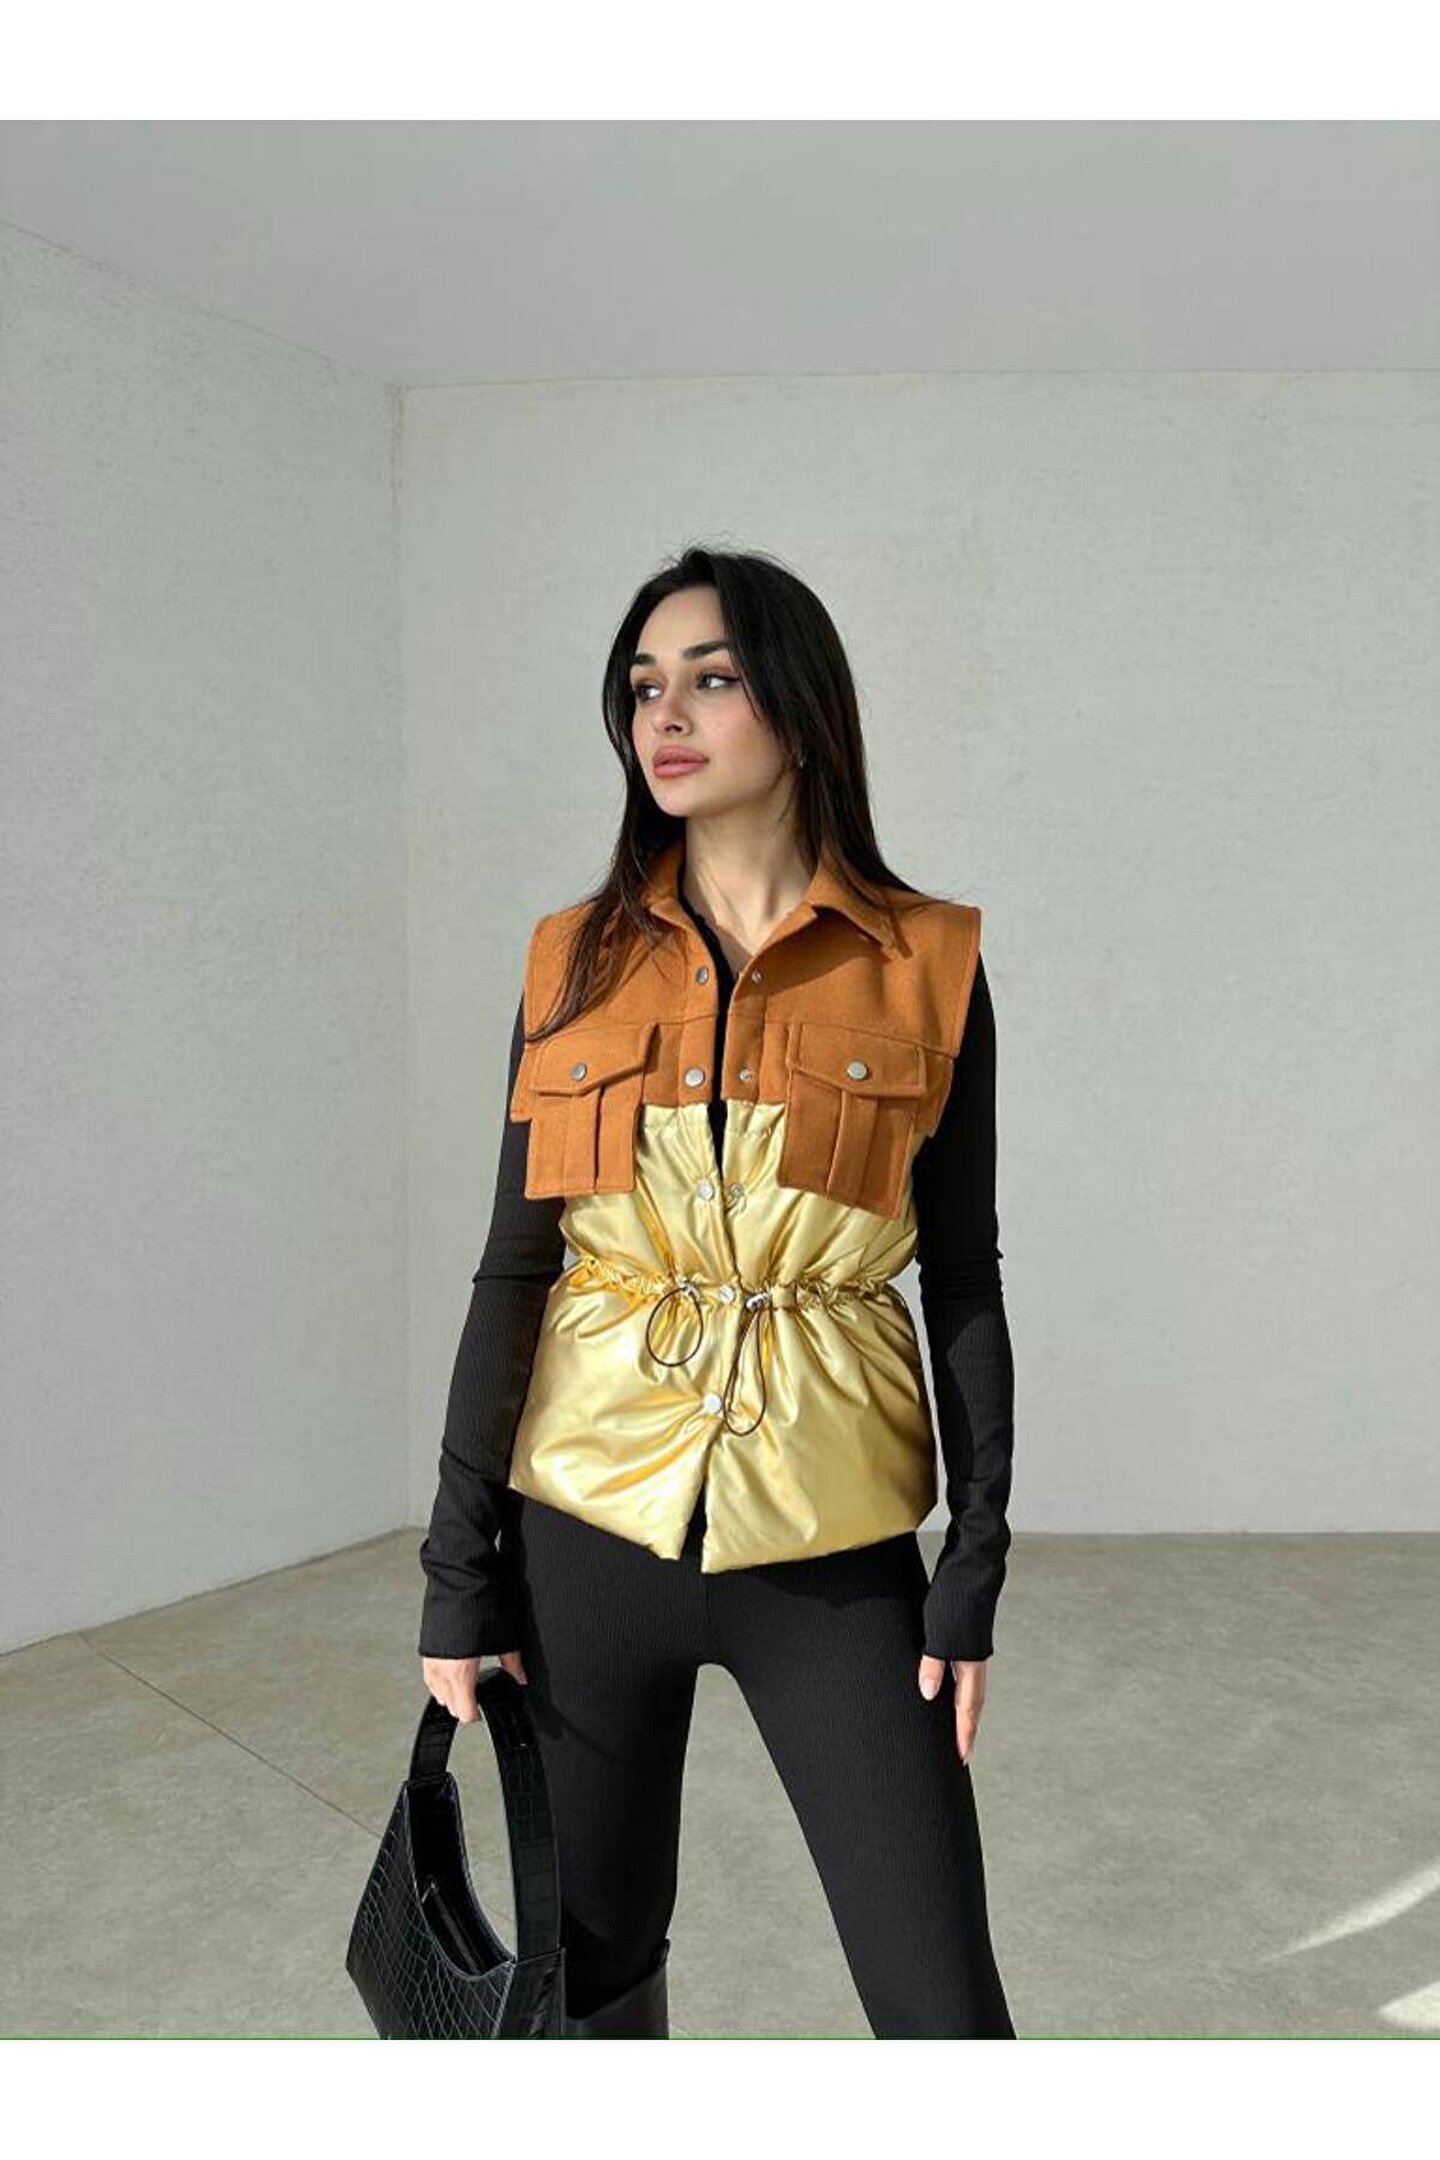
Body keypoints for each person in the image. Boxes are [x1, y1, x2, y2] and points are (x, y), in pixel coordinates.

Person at [417, 545, 1017, 2040]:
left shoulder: (928, 964)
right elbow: (516, 1266)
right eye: (642, 688)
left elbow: (962, 1274)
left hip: (832, 1550)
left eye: (714, 678)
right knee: (594, 1987)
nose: (666, 717)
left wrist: (973, 1561)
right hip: (584, 1539)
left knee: (943, 2014)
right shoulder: (572, 960)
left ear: (801, 712)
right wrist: (457, 1569)